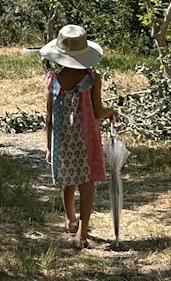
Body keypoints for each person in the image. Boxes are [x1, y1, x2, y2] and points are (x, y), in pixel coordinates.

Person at [41, 24, 117, 251]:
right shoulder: (92, 79)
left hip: (61, 139)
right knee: (87, 184)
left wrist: (48, 147)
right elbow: (97, 112)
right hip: (87, 139)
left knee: (68, 180)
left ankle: (71, 220)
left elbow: (49, 118)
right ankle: (82, 235)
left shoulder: (51, 81)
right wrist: (111, 112)